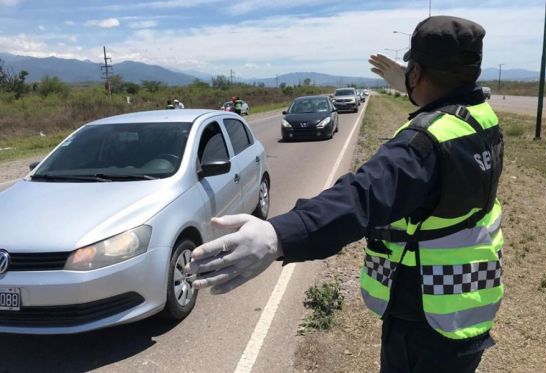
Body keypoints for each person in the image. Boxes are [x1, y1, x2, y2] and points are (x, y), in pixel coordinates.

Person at [187, 16, 504, 373]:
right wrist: (416, 84)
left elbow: (360, 196)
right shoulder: (480, 119)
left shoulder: (422, 145)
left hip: (425, 318)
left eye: (412, 71)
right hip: (470, 300)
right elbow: (460, 101)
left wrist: (278, 235)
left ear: (416, 73)